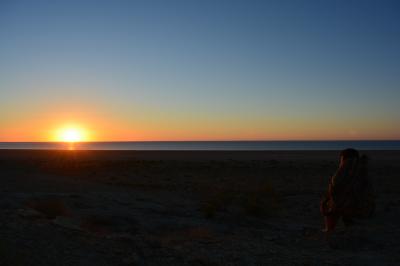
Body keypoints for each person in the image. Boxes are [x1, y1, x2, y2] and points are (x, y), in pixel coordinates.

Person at [320, 148, 375, 232]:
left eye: (341, 159)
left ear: (344, 159)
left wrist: (325, 201)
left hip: (353, 208)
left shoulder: (344, 170)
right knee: (345, 198)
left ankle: (329, 228)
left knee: (329, 203)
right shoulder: (363, 169)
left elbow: (334, 190)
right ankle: (348, 220)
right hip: (368, 209)